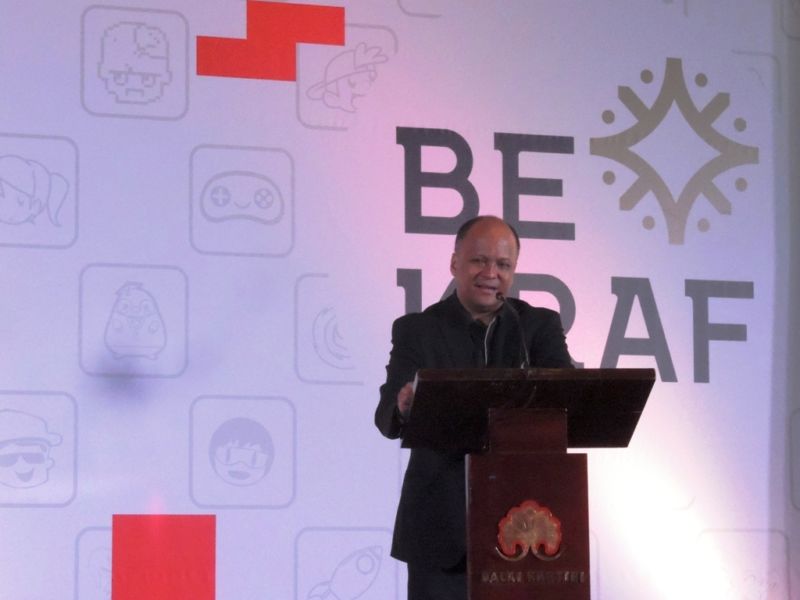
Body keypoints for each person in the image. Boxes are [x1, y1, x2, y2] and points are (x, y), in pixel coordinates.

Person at [374, 215, 573, 600]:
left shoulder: (537, 326)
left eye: (503, 264)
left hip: (525, 523)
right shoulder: (418, 329)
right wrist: (402, 406)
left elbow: (566, 398)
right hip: (440, 529)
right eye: (479, 261)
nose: (491, 273)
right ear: (455, 264)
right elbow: (386, 416)